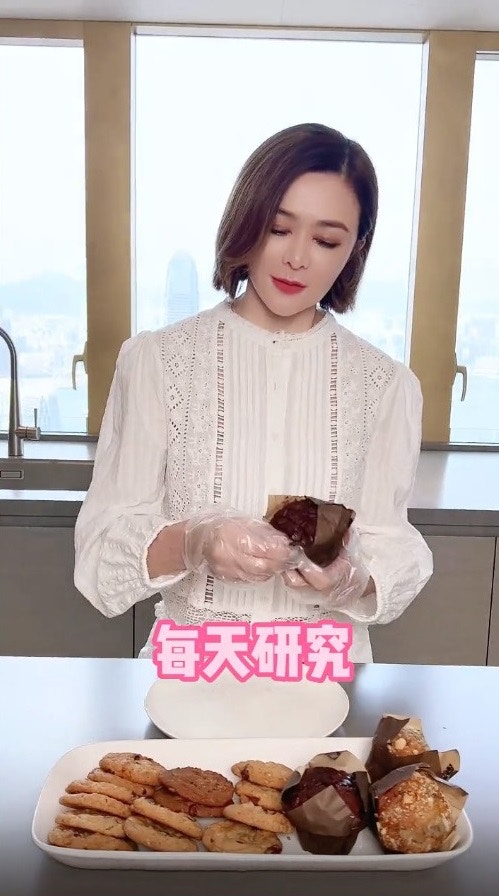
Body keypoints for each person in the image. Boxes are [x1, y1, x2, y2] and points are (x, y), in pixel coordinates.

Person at [74, 122, 433, 663]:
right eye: (279, 228)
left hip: (324, 678)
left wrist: (352, 580)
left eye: (326, 240)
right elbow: (99, 561)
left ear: (354, 250)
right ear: (246, 220)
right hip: (193, 673)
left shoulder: (385, 385)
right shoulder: (159, 362)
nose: (297, 258)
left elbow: (391, 544)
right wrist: (194, 542)